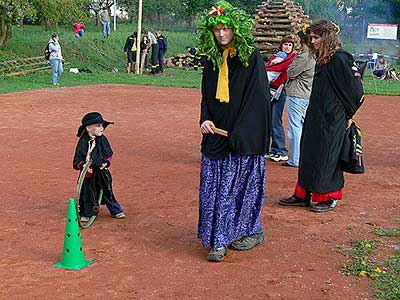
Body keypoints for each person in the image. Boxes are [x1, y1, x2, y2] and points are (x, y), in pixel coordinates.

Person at [197, 1, 271, 262]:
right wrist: (204, 119)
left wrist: (240, 132)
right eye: (216, 29)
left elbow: (259, 99)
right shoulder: (211, 60)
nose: (221, 34)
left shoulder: (250, 59)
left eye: (226, 29)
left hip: (242, 137)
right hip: (215, 135)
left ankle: (234, 236)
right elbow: (206, 95)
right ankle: (217, 234)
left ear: (235, 30)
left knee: (240, 188)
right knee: (213, 189)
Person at [278, 20, 364, 213]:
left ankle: (329, 197)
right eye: (312, 37)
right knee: (309, 153)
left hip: (333, 118)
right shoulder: (322, 59)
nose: (312, 41)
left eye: (316, 37)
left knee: (328, 156)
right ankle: (303, 194)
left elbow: (356, 90)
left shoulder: (341, 58)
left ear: (327, 38)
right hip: (316, 114)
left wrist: (348, 114)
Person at [73, 112, 126, 221]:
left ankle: (115, 210)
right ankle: (87, 212)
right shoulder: (83, 142)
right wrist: (84, 166)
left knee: (107, 190)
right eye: (98, 126)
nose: (102, 128)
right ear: (88, 128)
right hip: (87, 173)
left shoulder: (102, 140)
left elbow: (109, 153)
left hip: (101, 171)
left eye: (102, 125)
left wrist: (105, 163)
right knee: (87, 192)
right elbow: (78, 159)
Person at [283, 30, 316, 167]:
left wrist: (289, 68)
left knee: (295, 128)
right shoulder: (313, 54)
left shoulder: (305, 55)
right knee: (302, 126)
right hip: (306, 94)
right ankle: (301, 157)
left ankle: (295, 159)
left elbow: (291, 72)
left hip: (298, 94)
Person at [266, 36, 297, 162]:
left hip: (280, 91)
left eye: (290, 45)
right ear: (281, 46)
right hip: (269, 90)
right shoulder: (276, 57)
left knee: (275, 121)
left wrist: (268, 69)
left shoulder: (292, 59)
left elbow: (280, 68)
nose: (287, 47)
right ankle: (270, 150)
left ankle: (281, 150)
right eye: (285, 44)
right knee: (267, 120)